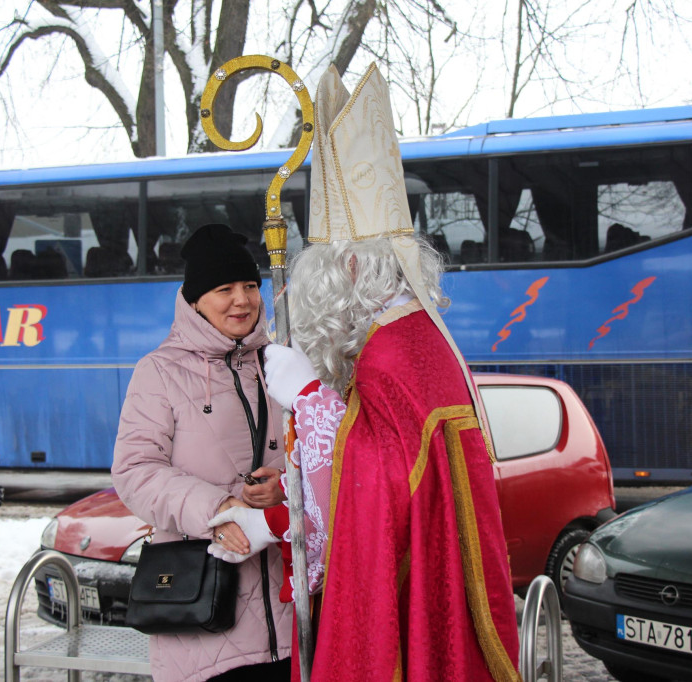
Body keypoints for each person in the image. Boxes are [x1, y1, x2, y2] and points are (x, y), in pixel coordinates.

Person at [207, 65, 521, 681]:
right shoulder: (400, 338)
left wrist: (309, 398)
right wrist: (279, 512)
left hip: (404, 616)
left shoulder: (396, 350)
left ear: (348, 269)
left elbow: (376, 487)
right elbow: (372, 470)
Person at [111, 223, 293, 682]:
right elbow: (135, 471)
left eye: (251, 286)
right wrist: (218, 507)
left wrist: (285, 485)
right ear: (195, 300)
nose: (243, 300)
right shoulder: (158, 371)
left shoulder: (280, 363)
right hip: (203, 615)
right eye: (224, 288)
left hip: (290, 618)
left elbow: (313, 452)